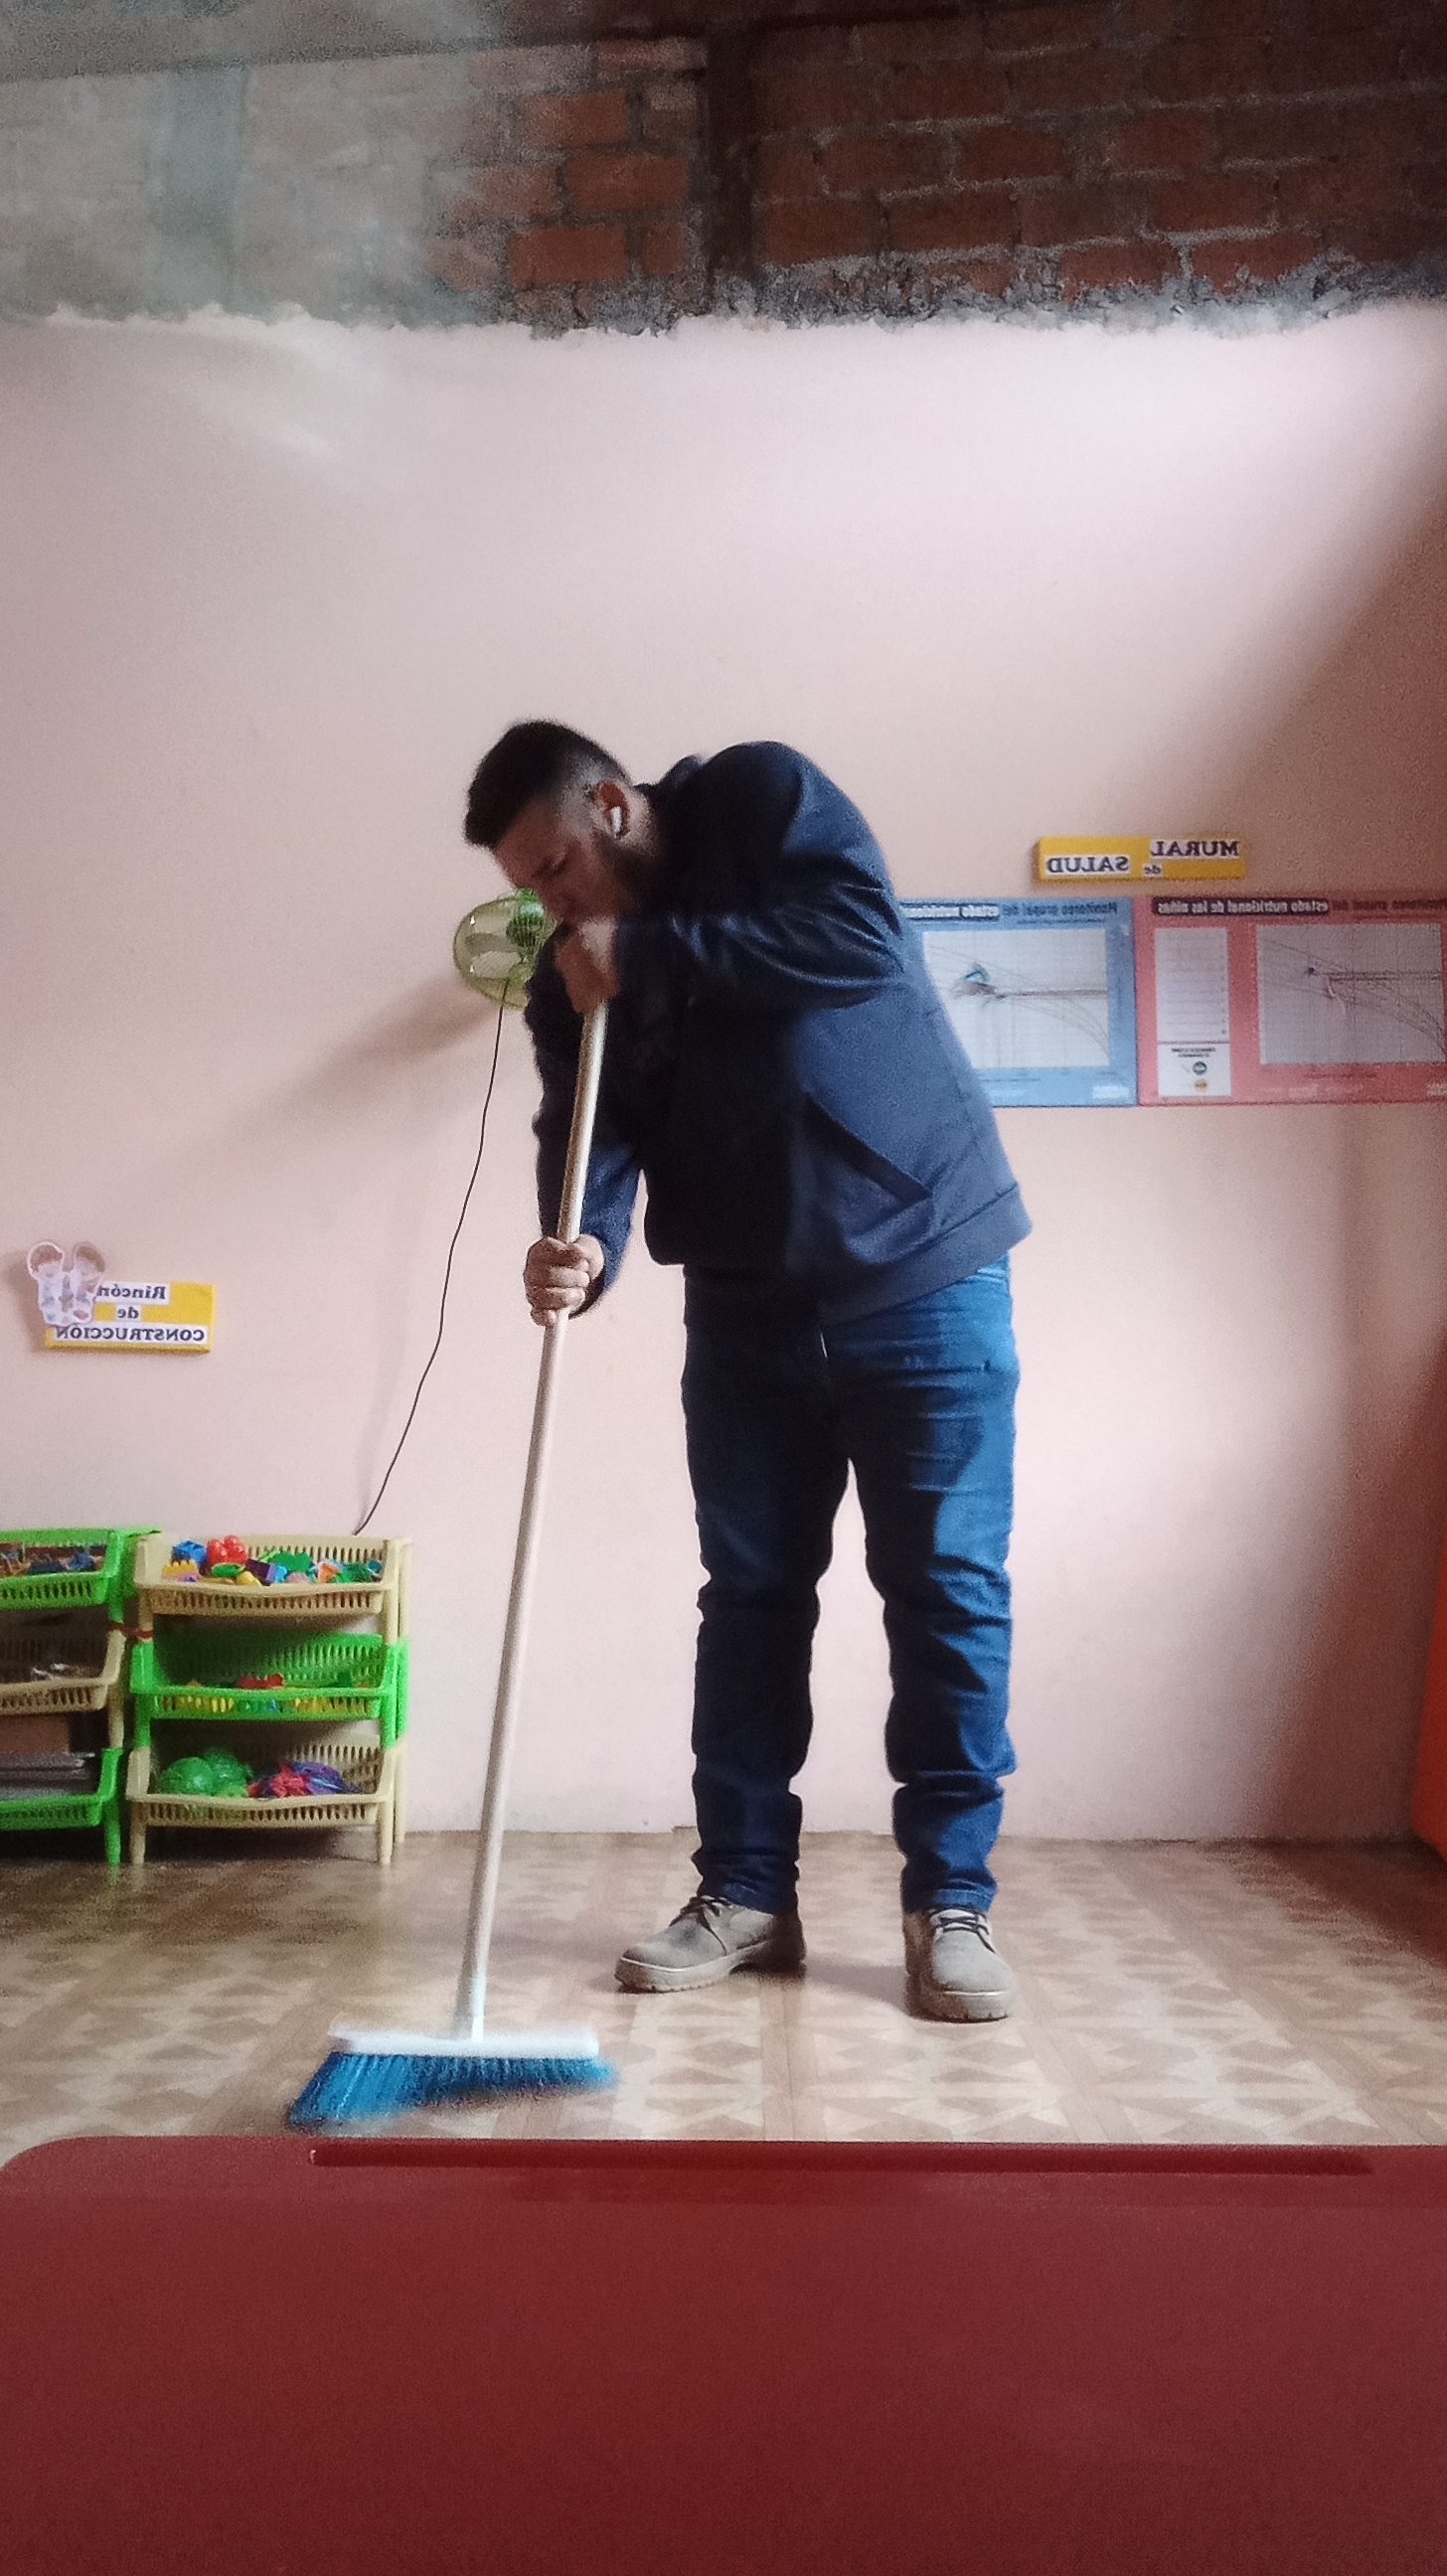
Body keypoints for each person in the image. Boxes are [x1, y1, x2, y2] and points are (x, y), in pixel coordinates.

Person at [464, 724, 1030, 2021]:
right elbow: (591, 1131)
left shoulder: (759, 799)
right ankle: (746, 1893)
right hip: (741, 1306)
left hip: (925, 1270)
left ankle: (951, 1903)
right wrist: (583, 1242)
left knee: (946, 1592)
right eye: (528, 889)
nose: (550, 907)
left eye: (555, 868)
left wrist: (650, 951)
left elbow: (857, 943)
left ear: (612, 807)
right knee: (752, 1599)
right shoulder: (572, 977)